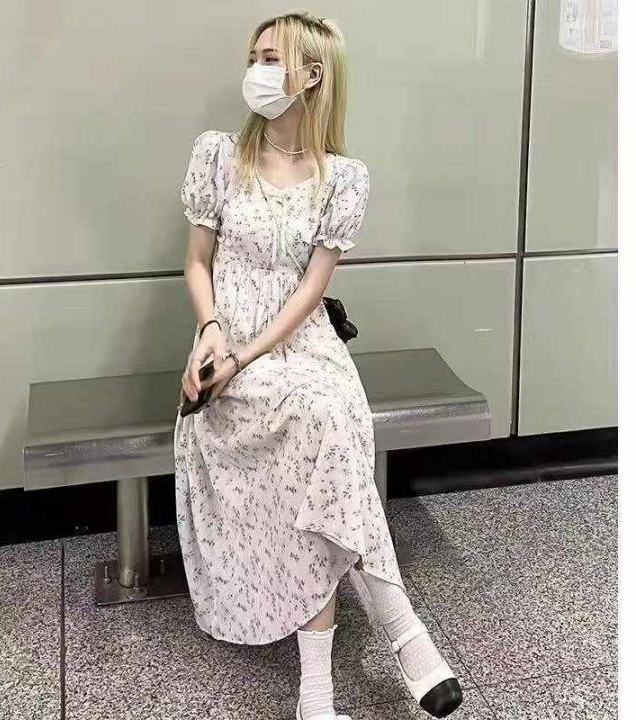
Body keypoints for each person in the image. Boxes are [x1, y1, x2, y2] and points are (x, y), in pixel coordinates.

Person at [173, 11, 463, 720]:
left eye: (273, 58)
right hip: (227, 345)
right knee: (325, 430)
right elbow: (197, 262)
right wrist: (212, 334)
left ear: (312, 74)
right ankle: (402, 632)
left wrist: (249, 353)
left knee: (325, 417)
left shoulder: (343, 179)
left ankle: (320, 690)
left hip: (300, 348)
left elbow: (310, 292)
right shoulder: (219, 156)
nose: (257, 70)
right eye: (254, 56)